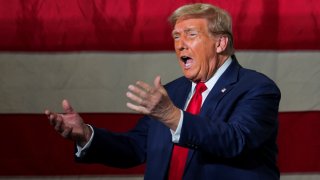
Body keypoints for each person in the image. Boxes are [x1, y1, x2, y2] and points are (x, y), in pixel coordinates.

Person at [45, 3, 281, 180]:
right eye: (176, 36)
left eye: (191, 34)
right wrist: (86, 135)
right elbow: (136, 147)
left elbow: (236, 140)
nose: (180, 44)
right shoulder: (172, 92)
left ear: (220, 44)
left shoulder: (257, 88)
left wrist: (171, 116)